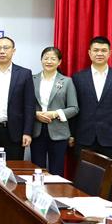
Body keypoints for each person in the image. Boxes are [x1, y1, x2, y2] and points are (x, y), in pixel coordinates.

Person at [70, 36, 112, 160]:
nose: (99, 53)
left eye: (103, 50)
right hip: (84, 136)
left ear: (110, 53)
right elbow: (74, 108)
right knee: (85, 172)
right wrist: (71, 134)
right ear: (89, 53)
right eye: (96, 50)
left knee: (108, 173)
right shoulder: (78, 77)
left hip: (111, 137)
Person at [31, 47, 78, 176]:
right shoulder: (31, 79)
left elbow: (74, 108)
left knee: (56, 171)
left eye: (53, 59)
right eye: (46, 58)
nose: (49, 61)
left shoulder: (67, 81)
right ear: (41, 60)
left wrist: (55, 113)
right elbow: (25, 105)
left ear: (59, 62)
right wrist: (35, 114)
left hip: (59, 132)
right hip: (36, 131)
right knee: (37, 170)